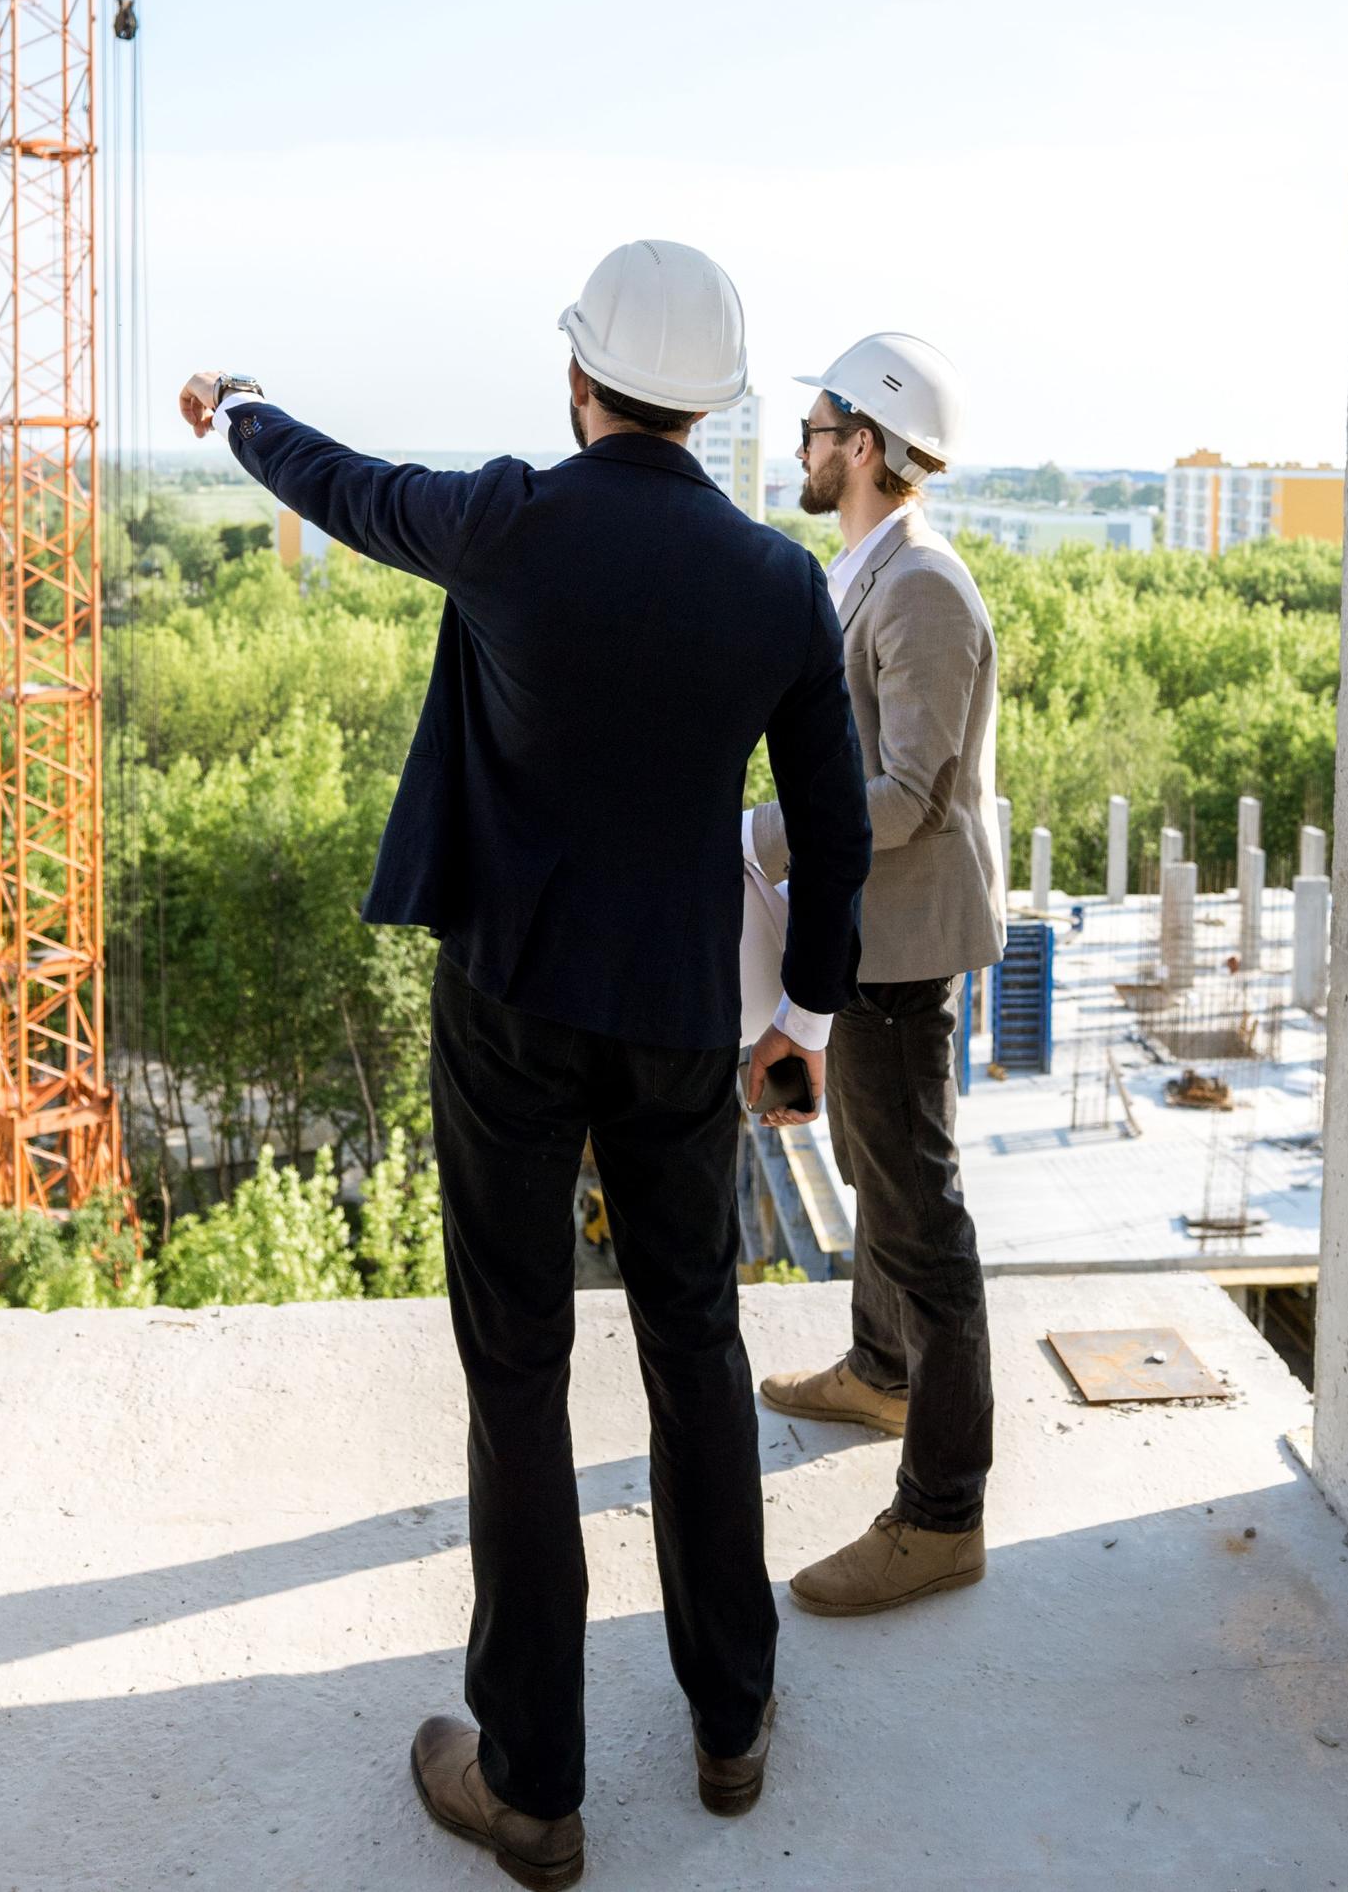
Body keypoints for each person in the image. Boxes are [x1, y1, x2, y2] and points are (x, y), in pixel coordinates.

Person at [178, 239, 870, 1890]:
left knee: (516, 1366)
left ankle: (534, 1783)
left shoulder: (506, 520)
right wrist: (808, 1024)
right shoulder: (775, 582)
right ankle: (729, 1713)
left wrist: (241, 410)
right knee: (693, 1346)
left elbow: (340, 483)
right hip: (681, 1021)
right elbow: (834, 831)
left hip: (508, 1005)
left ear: (581, 381)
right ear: (710, 405)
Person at [743, 333, 1004, 1618]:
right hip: (868, 937)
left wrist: (762, 833)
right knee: (874, 1165)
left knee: (918, 1211)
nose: (801, 445)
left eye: (816, 426)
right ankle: (879, 1366)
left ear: (865, 446)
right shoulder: (868, 571)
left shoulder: (923, 591)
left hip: (903, 943)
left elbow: (913, 791)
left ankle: (942, 1511)